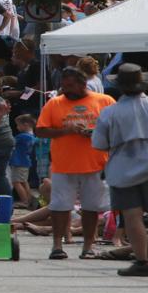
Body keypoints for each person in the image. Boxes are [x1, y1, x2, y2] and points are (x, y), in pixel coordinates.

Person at [93, 64, 148, 277]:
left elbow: (100, 144)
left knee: (132, 216)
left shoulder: (110, 112)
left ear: (120, 86)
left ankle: (142, 261)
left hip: (124, 168)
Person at [35, 67, 116, 260]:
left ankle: (88, 247)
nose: (66, 90)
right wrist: (65, 130)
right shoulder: (55, 103)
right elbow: (40, 130)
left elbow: (117, 128)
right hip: (64, 165)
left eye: (71, 86)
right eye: (64, 86)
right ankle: (57, 245)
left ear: (83, 84)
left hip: (96, 164)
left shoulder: (104, 101)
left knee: (91, 207)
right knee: (59, 206)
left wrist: (95, 133)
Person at [10, 116, 37, 208]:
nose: (17, 127)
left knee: (16, 182)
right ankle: (28, 199)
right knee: (24, 181)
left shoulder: (22, 136)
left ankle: (24, 201)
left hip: (18, 162)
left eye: (18, 125)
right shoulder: (32, 136)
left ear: (25, 125)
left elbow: (11, 142)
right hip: (25, 162)